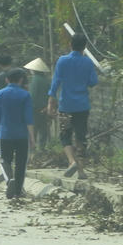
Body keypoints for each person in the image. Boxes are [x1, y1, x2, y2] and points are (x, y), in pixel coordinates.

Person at [46, 33, 98, 179]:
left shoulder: (62, 61)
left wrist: (51, 102)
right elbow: (93, 82)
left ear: (70, 44)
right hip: (82, 106)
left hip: (65, 106)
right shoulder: (88, 62)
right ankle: (81, 171)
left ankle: (71, 161)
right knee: (81, 137)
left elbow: (55, 83)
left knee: (65, 135)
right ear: (85, 46)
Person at [0, 67, 34, 198]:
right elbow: (29, 119)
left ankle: (9, 179)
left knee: (4, 160)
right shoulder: (25, 95)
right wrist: (32, 138)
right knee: (21, 163)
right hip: (22, 135)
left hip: (5, 134)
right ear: (21, 80)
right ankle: (18, 190)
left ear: (6, 80)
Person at [25, 57, 51, 150]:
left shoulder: (35, 79)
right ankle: (42, 148)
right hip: (44, 108)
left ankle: (32, 148)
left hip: (34, 107)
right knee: (43, 129)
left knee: (34, 128)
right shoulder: (46, 80)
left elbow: (32, 95)